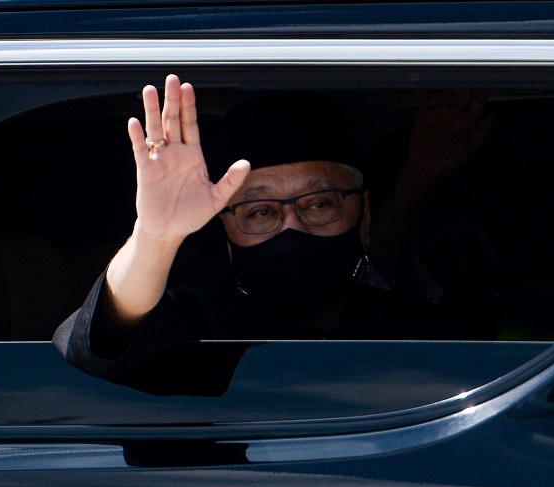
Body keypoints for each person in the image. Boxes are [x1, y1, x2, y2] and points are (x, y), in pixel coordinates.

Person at [54, 75, 498, 386]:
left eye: (319, 203)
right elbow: (102, 345)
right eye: (261, 212)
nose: (291, 228)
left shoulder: (415, 333)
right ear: (228, 236)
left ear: (362, 218)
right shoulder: (199, 326)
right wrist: (156, 236)